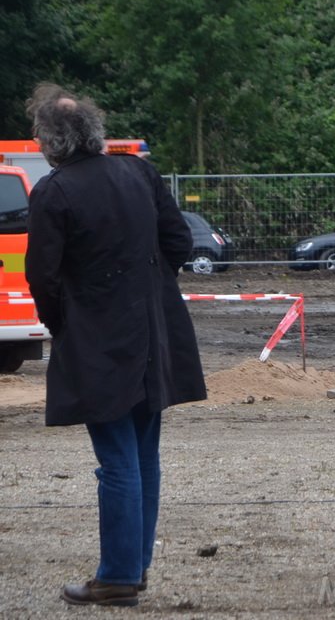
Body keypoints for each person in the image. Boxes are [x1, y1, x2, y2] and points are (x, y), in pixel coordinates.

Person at [24, 83, 207, 607]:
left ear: (54, 142)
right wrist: (149, 291)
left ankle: (121, 575)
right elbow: (178, 241)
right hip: (154, 332)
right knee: (142, 455)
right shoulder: (139, 172)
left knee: (119, 460)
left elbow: (43, 277)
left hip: (100, 339)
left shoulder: (54, 193)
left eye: (39, 135)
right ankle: (133, 567)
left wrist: (67, 325)